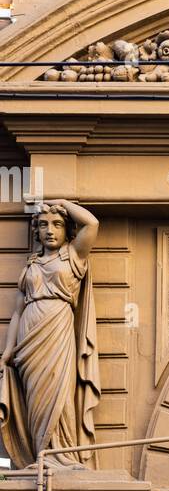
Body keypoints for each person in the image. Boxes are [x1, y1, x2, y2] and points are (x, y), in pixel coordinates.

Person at [0, 199, 100, 467]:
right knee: (34, 397)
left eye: (57, 225)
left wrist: (62, 203)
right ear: (37, 230)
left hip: (57, 328)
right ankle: (39, 455)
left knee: (59, 391)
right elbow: (18, 312)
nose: (49, 230)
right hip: (28, 336)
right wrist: (8, 350)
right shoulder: (31, 264)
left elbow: (92, 223)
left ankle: (61, 454)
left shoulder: (74, 255)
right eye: (43, 225)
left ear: (67, 229)